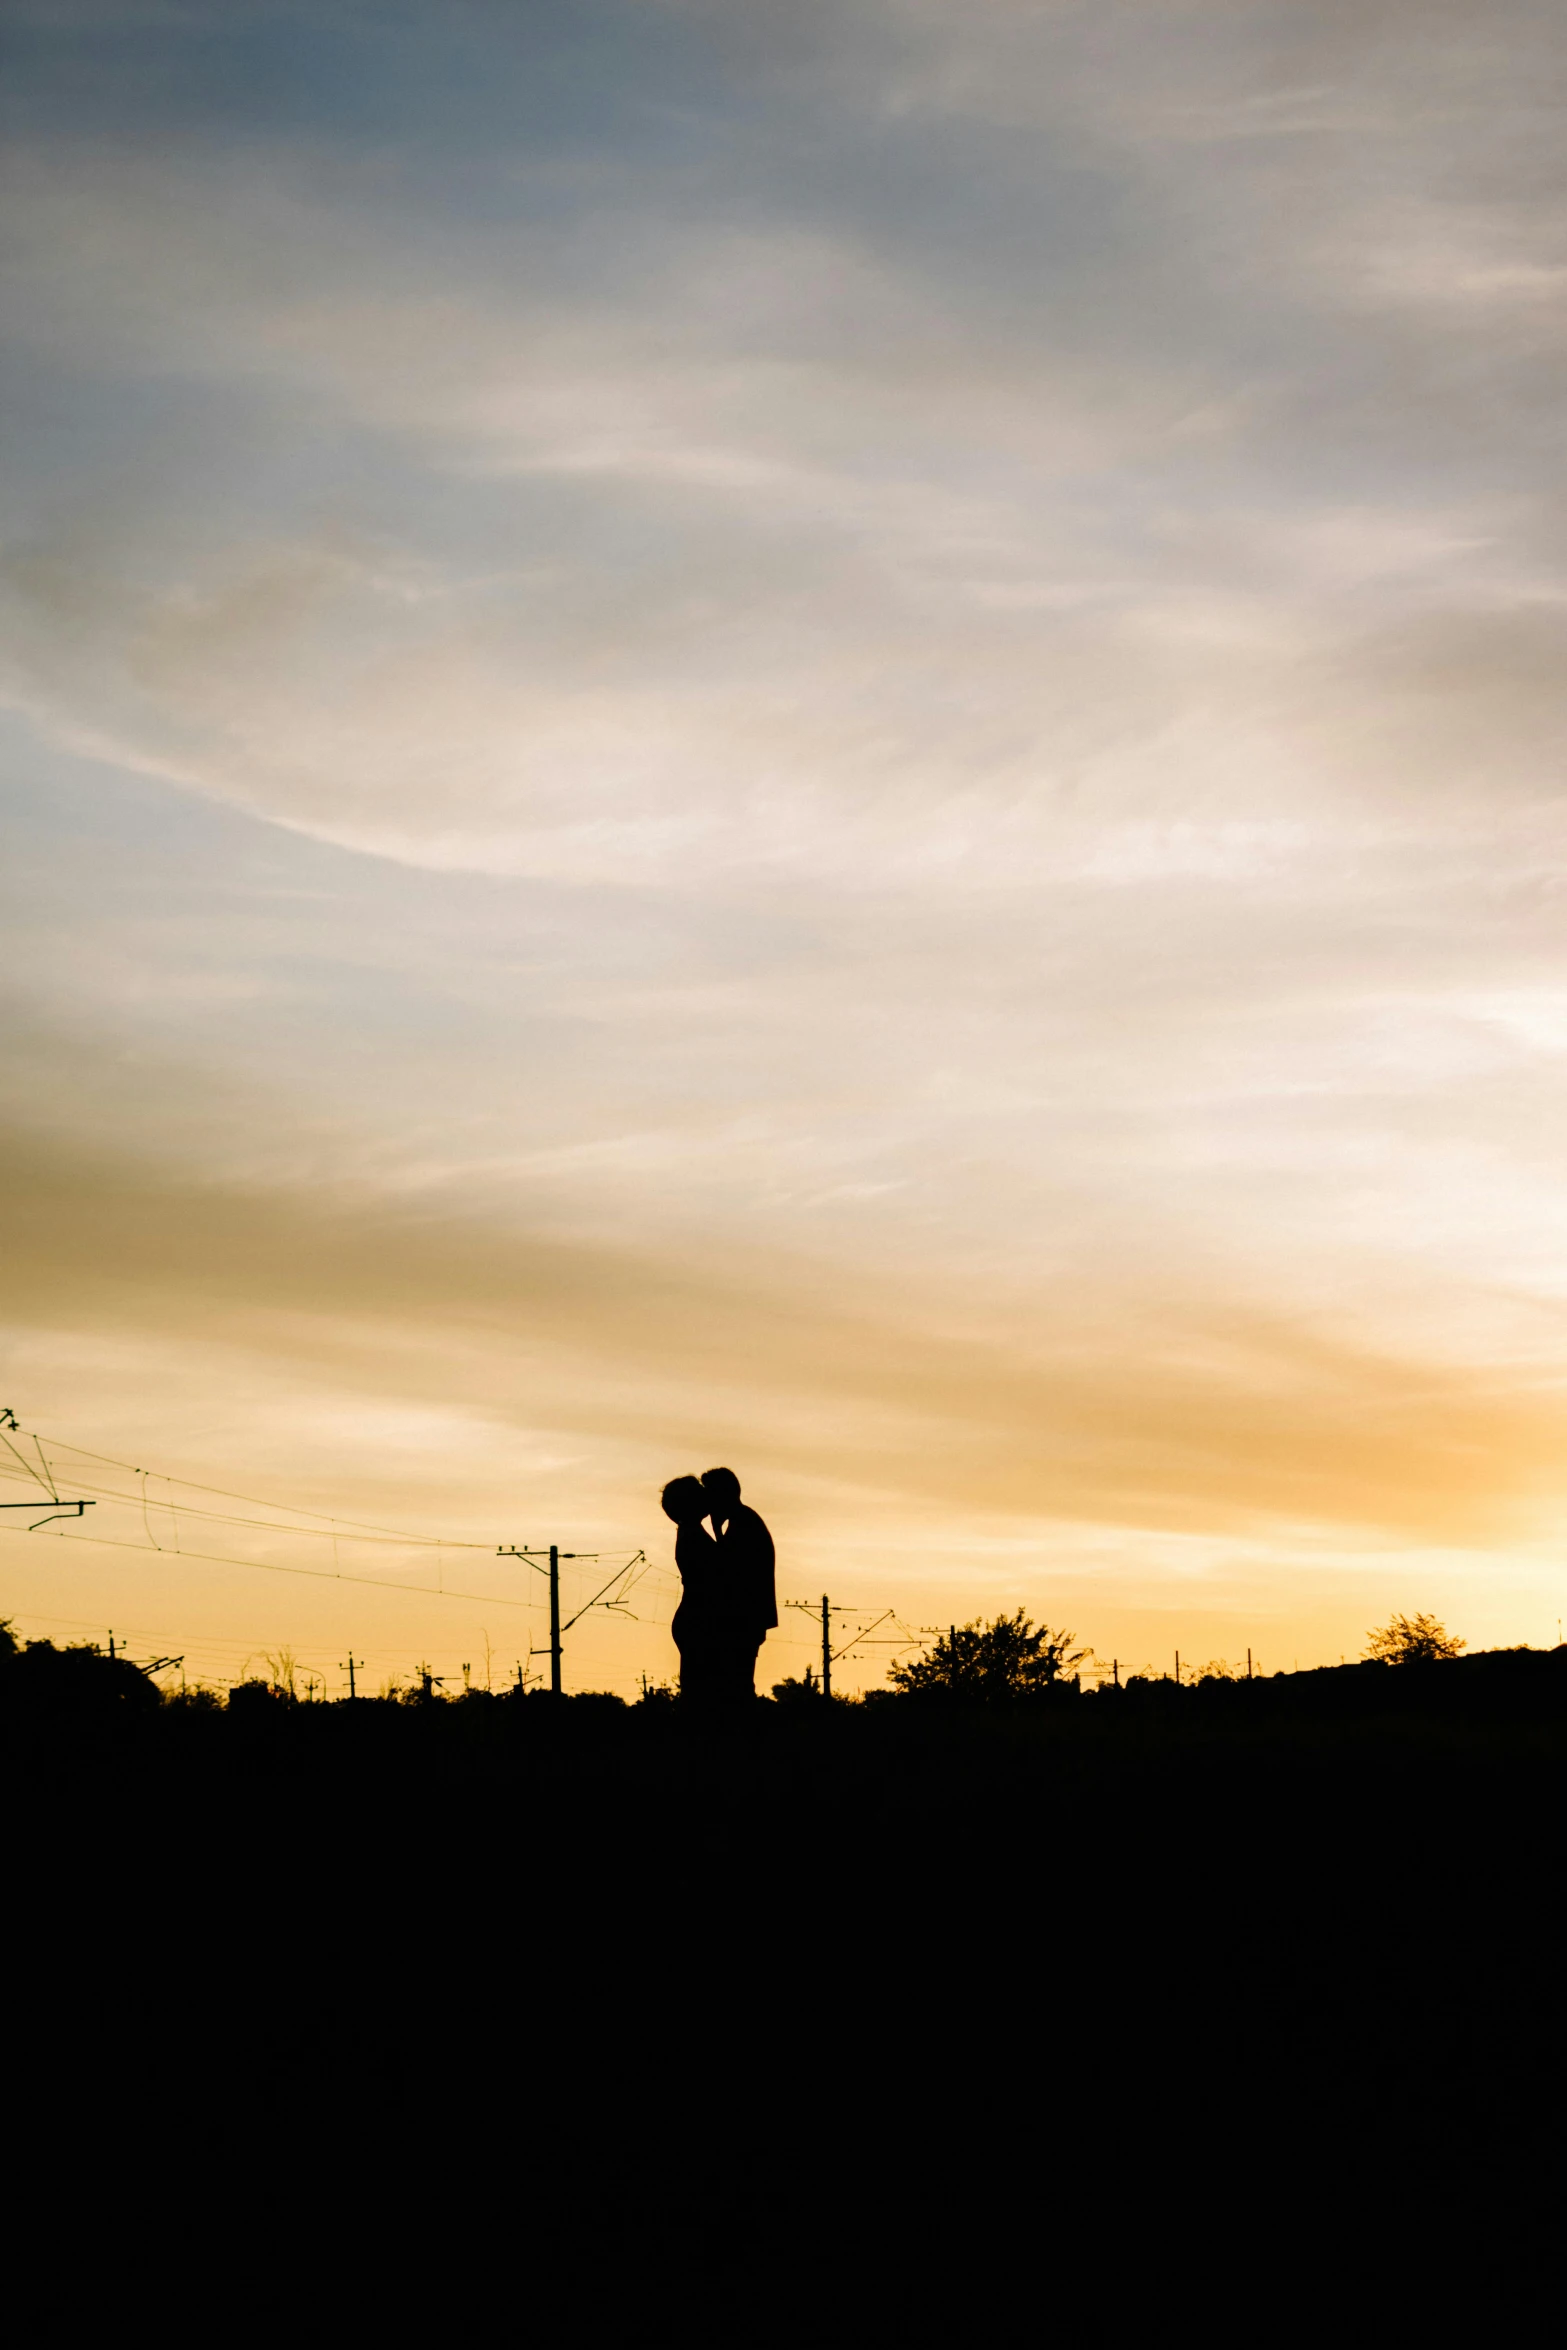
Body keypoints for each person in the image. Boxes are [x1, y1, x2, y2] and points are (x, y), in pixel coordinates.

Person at [701, 1467, 776, 1702]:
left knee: (736, 1688)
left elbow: (726, 1571)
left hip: (741, 1621)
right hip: (744, 1621)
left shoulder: (743, 1524)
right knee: (737, 1685)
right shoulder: (743, 1521)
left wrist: (715, 1532)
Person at [662, 1475, 723, 1704]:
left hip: (694, 1618)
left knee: (698, 1691)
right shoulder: (693, 1536)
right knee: (702, 1694)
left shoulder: (691, 1532)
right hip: (699, 1620)